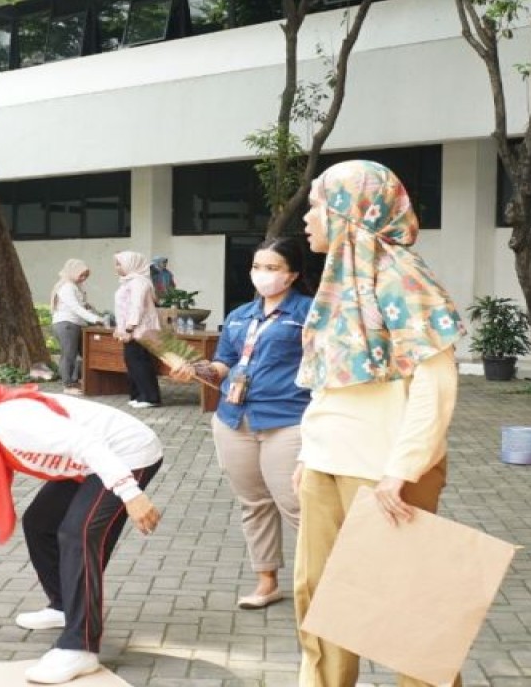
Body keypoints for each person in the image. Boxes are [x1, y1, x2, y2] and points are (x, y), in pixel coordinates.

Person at [295, 160, 465, 687]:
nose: (307, 217)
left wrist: (403, 469)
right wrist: (308, 455)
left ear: (348, 210)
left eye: (318, 204)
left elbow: (435, 385)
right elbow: (330, 380)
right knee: (320, 600)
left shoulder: (402, 277)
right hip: (328, 462)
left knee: (406, 620)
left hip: (383, 473)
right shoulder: (339, 281)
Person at [0, 363, 163, 685]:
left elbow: (87, 443)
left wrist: (130, 493)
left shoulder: (9, 419)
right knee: (40, 523)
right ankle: (64, 605)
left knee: (77, 533)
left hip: (126, 452)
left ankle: (80, 646)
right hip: (89, 462)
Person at [171, 236, 312, 609]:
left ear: (293, 274)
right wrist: (196, 370)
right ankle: (267, 581)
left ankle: (327, 584)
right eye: (257, 267)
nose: (262, 275)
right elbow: (223, 364)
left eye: (272, 268)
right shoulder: (239, 316)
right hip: (235, 419)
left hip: (287, 419)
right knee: (254, 503)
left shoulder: (310, 314)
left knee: (297, 504)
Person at [113, 251, 162, 408]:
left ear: (131, 264)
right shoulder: (129, 281)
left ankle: (150, 397)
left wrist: (129, 327)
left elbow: (137, 306)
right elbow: (123, 308)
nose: (117, 267)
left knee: (139, 362)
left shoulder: (139, 282)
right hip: (131, 329)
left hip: (139, 330)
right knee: (133, 361)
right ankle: (138, 395)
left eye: (119, 264)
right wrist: (119, 327)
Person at [50, 259, 103, 395]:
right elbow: (75, 308)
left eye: (86, 275)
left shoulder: (75, 286)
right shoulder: (66, 287)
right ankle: (68, 385)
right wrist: (95, 319)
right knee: (69, 354)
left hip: (76, 324)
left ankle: (76, 380)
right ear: (72, 272)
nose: (83, 278)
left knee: (83, 352)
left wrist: (93, 314)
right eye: (81, 275)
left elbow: (82, 305)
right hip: (67, 324)